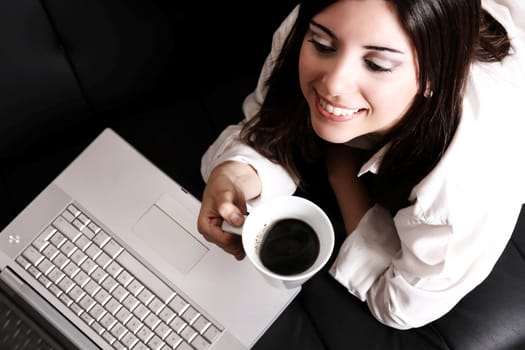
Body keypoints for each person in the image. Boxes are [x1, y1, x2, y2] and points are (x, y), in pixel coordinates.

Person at [197, 0, 525, 330]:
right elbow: (266, 122)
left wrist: (340, 169)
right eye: (324, 45)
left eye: (378, 64)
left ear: (433, 76)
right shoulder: (322, 22)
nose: (334, 84)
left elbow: (399, 306)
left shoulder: (467, 179)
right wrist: (237, 172)